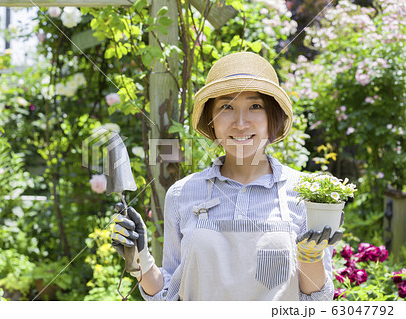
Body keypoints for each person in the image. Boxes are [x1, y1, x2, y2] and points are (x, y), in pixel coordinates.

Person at [111, 52, 343, 301]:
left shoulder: (305, 193)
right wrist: (140, 260)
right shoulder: (181, 195)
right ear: (211, 120)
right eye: (226, 107)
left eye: (255, 106)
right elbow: (168, 297)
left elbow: (317, 301)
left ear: (271, 117)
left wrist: (310, 257)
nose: (240, 123)